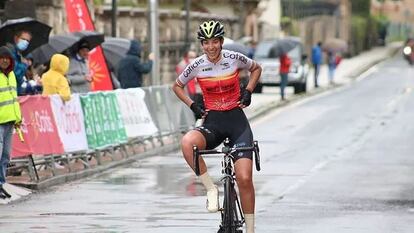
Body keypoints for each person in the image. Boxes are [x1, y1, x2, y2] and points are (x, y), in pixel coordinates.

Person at [172, 20, 262, 233]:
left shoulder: (234, 59)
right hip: (213, 122)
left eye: (214, 42)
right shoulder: (196, 65)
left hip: (237, 122)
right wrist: (192, 104)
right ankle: (211, 189)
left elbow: (256, 68)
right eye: (206, 43)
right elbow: (176, 86)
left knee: (244, 178)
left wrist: (248, 90)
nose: (210, 47)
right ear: (201, 44)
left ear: (221, 42)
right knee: (187, 143)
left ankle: (250, 230)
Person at [0, 46, 22, 199]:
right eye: (2, 58)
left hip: (10, 121)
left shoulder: (12, 75)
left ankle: (1, 183)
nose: (5, 60)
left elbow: (14, 99)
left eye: (8, 58)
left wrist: (17, 118)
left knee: (6, 156)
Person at [8, 30, 32, 96]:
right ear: (16, 38)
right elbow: (16, 73)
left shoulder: (19, 54)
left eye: (28, 41)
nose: (26, 42)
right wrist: (24, 64)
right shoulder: (10, 52)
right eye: (23, 39)